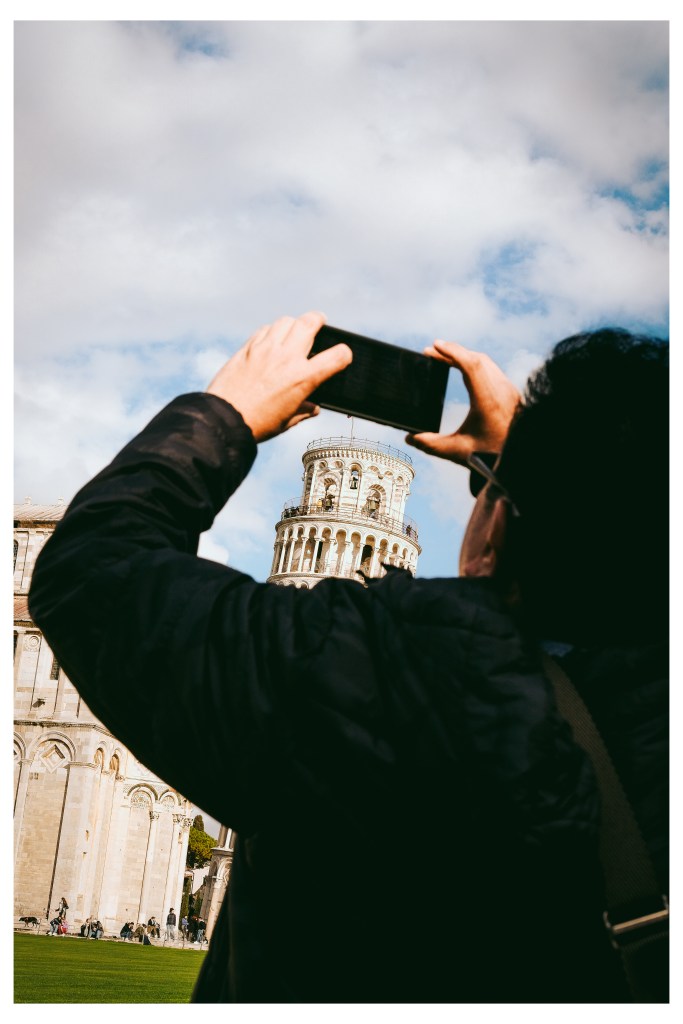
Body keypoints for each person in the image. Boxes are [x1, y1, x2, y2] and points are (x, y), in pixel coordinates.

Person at [29, 312, 668, 1002]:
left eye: (491, 490)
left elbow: (94, 570)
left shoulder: (364, 671)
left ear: (500, 528)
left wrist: (224, 414)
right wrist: (560, 482)